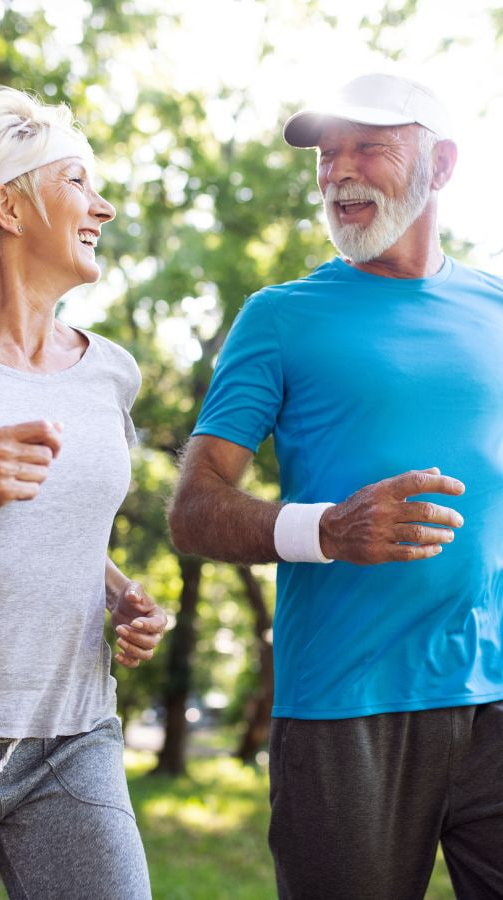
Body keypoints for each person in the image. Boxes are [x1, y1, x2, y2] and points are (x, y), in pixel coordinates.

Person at [168, 72, 503, 899]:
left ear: (444, 163)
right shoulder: (281, 316)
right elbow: (193, 509)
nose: (337, 171)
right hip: (345, 710)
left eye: (368, 147)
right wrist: (323, 530)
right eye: (327, 153)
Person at [0, 87, 167, 899]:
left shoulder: (110, 369)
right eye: (79, 183)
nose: (107, 206)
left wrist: (122, 593)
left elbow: (63, 528)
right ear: (11, 206)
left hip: (73, 732)